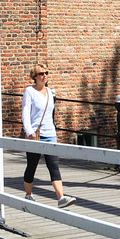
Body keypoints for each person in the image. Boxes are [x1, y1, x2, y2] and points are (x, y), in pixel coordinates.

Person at [21, 66, 74, 207]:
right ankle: (28, 194)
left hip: (49, 134)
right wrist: (29, 131)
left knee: (54, 166)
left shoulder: (50, 92)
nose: (44, 75)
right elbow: (26, 113)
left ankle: (61, 198)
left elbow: (50, 115)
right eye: (41, 73)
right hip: (35, 135)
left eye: (46, 73)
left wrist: (54, 132)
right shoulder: (30, 91)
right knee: (32, 165)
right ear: (35, 76)